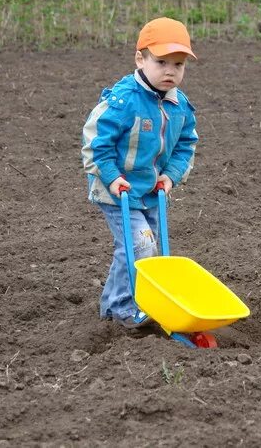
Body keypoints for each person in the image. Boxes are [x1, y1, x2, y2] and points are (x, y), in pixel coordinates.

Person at [81, 17, 199, 327]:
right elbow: (96, 142)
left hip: (150, 189)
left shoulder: (180, 106)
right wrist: (110, 176)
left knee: (142, 247)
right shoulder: (124, 100)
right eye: (161, 62)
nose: (170, 71)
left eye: (178, 64)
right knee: (141, 245)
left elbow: (186, 144)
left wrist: (170, 176)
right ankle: (123, 307)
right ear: (140, 58)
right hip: (116, 189)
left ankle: (112, 303)